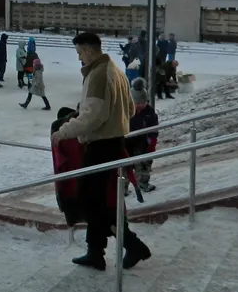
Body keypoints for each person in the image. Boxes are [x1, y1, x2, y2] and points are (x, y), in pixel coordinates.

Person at [52, 32, 151, 271]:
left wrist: (63, 132)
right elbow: (129, 110)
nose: (79, 59)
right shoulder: (116, 70)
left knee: (92, 200)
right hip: (114, 143)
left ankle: (130, 245)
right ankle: (96, 251)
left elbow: (91, 117)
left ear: (88, 50)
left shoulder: (98, 75)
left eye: (79, 53)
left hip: (101, 146)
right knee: (97, 200)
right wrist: (114, 125)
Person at [128, 77, 159, 192]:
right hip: (128, 142)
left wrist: (152, 141)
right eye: (137, 103)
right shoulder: (125, 111)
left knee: (145, 163)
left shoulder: (149, 112)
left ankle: (143, 182)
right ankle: (123, 187)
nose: (140, 105)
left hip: (143, 142)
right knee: (125, 166)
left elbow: (154, 128)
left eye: (143, 102)